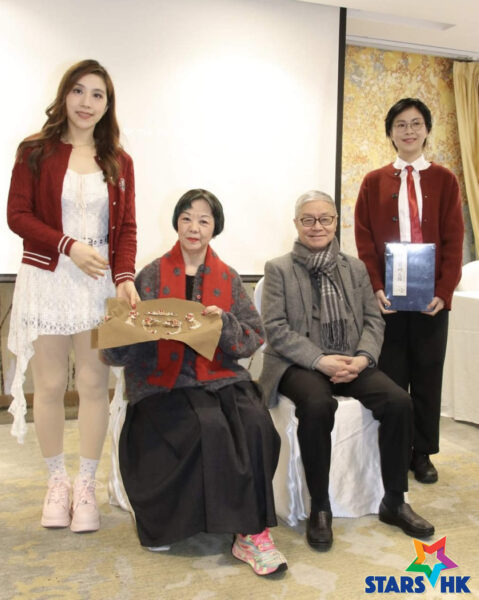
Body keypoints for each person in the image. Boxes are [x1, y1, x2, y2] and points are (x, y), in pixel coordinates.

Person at [101, 189, 287, 577]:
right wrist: (120, 331)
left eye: (204, 220)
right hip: (163, 380)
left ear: (215, 227)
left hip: (220, 375)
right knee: (208, 426)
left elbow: (252, 338)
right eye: (186, 218)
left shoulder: (228, 277)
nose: (194, 227)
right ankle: (183, 522)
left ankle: (252, 533)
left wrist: (224, 324)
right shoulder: (150, 275)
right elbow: (118, 353)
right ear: (176, 223)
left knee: (256, 423)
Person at [259, 190, 435, 551]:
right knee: (317, 404)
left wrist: (363, 358)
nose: (317, 226)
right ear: (296, 224)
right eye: (308, 220)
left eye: (325, 218)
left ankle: (394, 501)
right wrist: (318, 360)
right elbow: (276, 329)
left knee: (399, 402)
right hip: (299, 363)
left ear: (336, 222)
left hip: (351, 359)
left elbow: (373, 320)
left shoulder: (354, 268)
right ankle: (320, 508)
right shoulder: (278, 269)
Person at [7, 59, 138, 533]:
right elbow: (18, 216)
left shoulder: (119, 161)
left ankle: (85, 486)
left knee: (92, 385)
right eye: (79, 91)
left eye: (97, 94)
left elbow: (126, 228)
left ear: (107, 104)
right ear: (64, 95)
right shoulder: (34, 151)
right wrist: (69, 246)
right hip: (48, 278)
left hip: (97, 284)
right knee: (46, 386)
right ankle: (56, 483)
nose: (87, 102)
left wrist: (124, 276)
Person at [355, 98, 464, 484]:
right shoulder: (373, 181)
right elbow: (364, 241)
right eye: (400, 124)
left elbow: (454, 240)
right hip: (389, 300)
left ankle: (423, 453)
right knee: (392, 376)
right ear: (390, 132)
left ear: (427, 130)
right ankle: (396, 449)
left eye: (416, 123)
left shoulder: (445, 180)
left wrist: (444, 291)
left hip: (431, 299)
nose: (409, 131)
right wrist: (375, 288)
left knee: (428, 376)